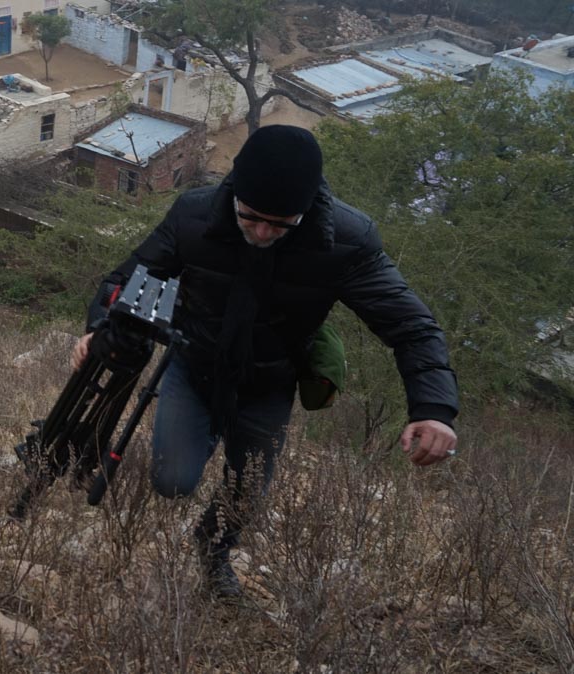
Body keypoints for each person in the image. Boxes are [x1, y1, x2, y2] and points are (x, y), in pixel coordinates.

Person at [71, 125, 459, 598]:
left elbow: (412, 326)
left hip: (269, 380)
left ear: (306, 209)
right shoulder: (195, 213)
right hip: (194, 365)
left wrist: (433, 410)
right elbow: (129, 277)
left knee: (245, 493)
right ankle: (200, 436)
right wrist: (99, 328)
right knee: (172, 481)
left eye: (280, 224)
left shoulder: (348, 239)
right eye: (251, 217)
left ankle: (214, 551)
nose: (262, 232)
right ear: (235, 191)